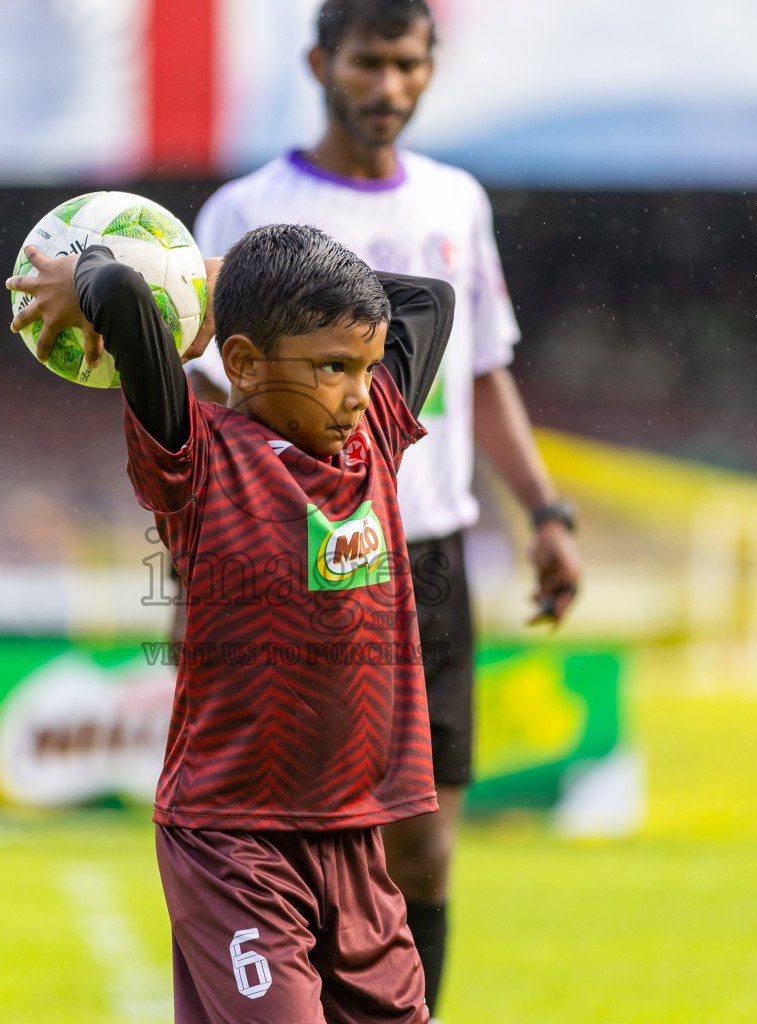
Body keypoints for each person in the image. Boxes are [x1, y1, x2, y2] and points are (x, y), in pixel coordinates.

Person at [184, 0, 584, 1012]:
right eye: (368, 63)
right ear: (322, 61)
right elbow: (199, 395)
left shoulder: (456, 203)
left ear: (430, 67)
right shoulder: (244, 209)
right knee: (277, 838)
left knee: (424, 850)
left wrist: (543, 512)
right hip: (288, 566)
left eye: (409, 64)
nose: (388, 86)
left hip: (428, 555)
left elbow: (485, 370)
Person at [7, 223, 455, 1022]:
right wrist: (164, 280)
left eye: (364, 366)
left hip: (354, 835)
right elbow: (117, 293)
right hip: (233, 837)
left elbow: (432, 299)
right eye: (331, 368)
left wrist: (228, 275)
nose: (359, 390)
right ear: (242, 363)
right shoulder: (197, 456)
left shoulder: (373, 435)